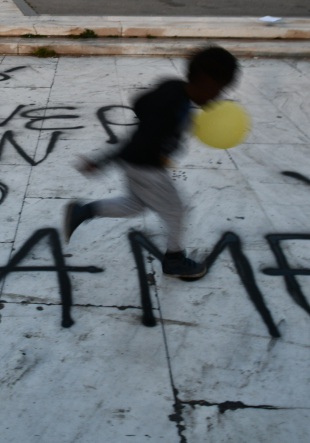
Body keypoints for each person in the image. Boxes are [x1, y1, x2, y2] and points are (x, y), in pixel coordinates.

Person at [63, 46, 239, 279]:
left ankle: (84, 211)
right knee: (176, 211)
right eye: (218, 89)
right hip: (147, 168)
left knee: (135, 205)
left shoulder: (174, 88)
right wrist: (104, 160)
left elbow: (140, 101)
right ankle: (174, 260)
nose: (218, 97)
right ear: (205, 80)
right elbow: (139, 140)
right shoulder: (171, 105)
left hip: (139, 165)